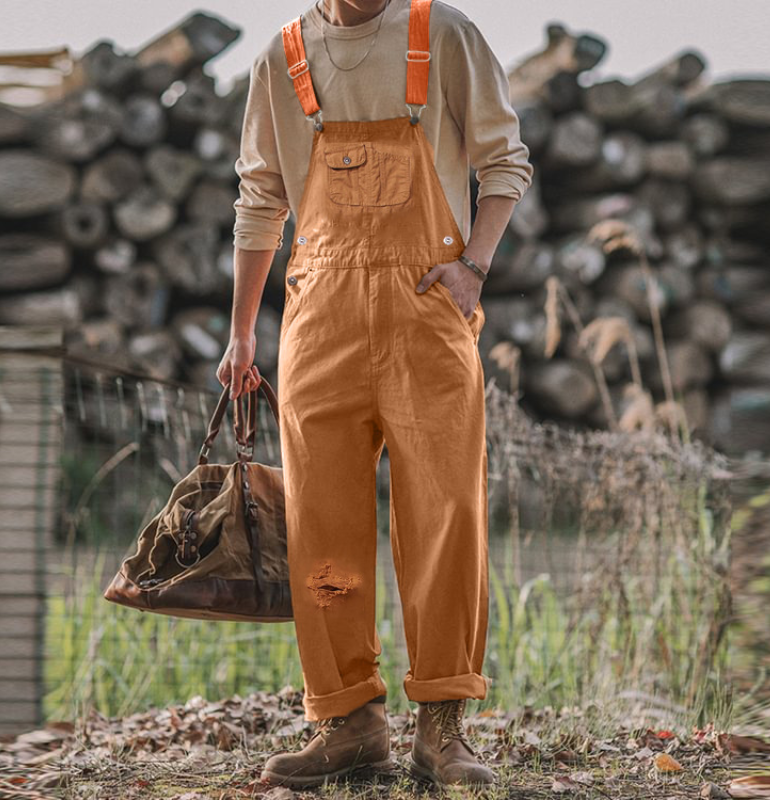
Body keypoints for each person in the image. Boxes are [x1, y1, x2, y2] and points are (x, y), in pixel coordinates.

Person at [217, 0, 533, 788]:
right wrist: (242, 334)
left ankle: (442, 726)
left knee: (446, 513)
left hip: (428, 311)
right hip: (318, 318)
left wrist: (476, 267)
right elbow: (261, 198)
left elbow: (505, 162)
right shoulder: (281, 56)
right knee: (322, 523)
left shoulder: (444, 34)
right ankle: (347, 722)